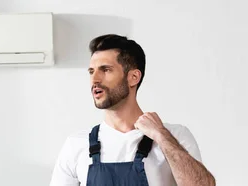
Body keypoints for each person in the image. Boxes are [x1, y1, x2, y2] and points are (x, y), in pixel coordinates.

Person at [49, 34, 215, 186]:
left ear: (133, 77)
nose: (95, 79)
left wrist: (161, 136)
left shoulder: (175, 136)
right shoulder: (76, 144)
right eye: (91, 71)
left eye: (106, 70)